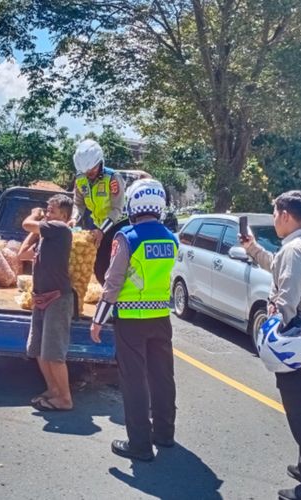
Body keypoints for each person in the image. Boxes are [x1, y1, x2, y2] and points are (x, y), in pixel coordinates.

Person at [240, 190, 301, 500]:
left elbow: (286, 303)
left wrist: (269, 329)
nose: (273, 219)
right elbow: (276, 265)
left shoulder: (296, 249)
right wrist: (252, 248)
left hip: (297, 344)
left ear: (286, 215)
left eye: (275, 213)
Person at [90, 179, 178, 462]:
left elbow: (113, 282)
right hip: (161, 318)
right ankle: (164, 434)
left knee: (134, 381)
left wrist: (98, 319)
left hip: (130, 319)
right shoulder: (171, 238)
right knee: (163, 377)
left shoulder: (127, 237)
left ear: (132, 205)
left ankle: (139, 444)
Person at [22, 194, 75, 411]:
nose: (46, 213)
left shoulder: (61, 229)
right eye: (46, 210)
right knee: (38, 351)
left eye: (51, 210)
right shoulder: (47, 237)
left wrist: (34, 216)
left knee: (54, 353)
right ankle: (53, 391)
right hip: (41, 298)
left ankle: (65, 399)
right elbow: (22, 254)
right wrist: (35, 235)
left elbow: (27, 224)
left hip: (58, 299)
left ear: (63, 215)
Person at [72, 139, 128, 285]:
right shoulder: (80, 179)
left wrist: (102, 231)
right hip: (98, 227)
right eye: (86, 171)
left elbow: (117, 209)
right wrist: (74, 218)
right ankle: (107, 298)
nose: (89, 173)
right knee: (99, 268)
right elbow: (79, 204)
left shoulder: (113, 178)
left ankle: (116, 301)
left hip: (118, 226)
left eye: (92, 169)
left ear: (100, 162)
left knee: (116, 266)